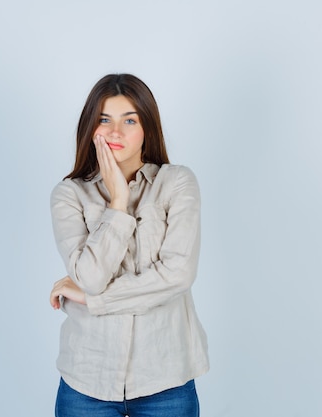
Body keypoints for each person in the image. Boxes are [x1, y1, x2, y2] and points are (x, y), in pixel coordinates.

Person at [49, 73, 209, 417]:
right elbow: (90, 277)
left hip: (165, 379)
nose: (115, 131)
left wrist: (94, 300)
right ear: (90, 127)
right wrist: (118, 201)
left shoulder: (178, 183)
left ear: (146, 129)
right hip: (86, 381)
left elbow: (178, 274)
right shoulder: (69, 194)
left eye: (129, 120)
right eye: (104, 119)